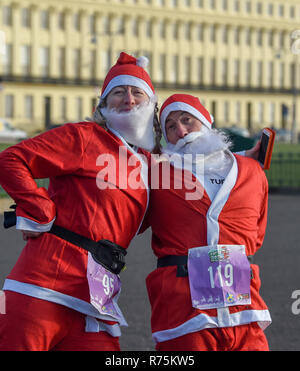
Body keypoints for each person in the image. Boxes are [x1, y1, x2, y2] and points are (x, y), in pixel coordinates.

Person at [0, 52, 160, 351]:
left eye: (138, 92)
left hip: (96, 300)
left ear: (151, 105)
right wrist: (39, 209)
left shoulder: (151, 164)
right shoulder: (85, 136)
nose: (128, 98)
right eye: (118, 92)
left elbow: (196, 176)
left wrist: (243, 161)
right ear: (103, 103)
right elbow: (11, 160)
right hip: (42, 288)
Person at [143, 94, 271, 351]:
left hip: (244, 312)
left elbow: (255, 236)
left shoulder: (251, 171)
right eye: (170, 127)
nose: (181, 130)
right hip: (185, 315)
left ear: (205, 121)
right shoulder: (156, 172)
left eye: (187, 120)